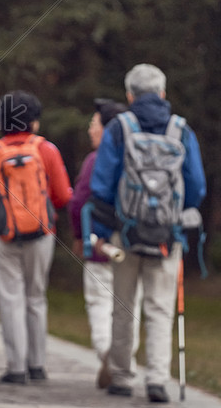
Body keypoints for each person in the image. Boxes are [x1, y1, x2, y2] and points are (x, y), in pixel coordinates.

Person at [90, 64, 206, 403]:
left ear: (129, 95)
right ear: (163, 93)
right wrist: (175, 221)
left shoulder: (118, 128)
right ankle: (157, 379)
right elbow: (196, 185)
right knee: (160, 308)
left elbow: (102, 185)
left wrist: (102, 230)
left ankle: (122, 377)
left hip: (124, 234)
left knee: (123, 307)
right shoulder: (181, 131)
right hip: (167, 237)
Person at [0, 90, 73, 385]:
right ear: (34, 122)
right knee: (35, 297)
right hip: (42, 233)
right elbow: (62, 195)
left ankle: (15, 367)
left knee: (10, 298)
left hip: (2, 235)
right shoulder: (47, 150)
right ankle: (38, 365)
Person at [68, 98, 141, 390]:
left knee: (100, 304)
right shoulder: (138, 157)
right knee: (130, 304)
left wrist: (78, 235)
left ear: (108, 128)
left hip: (99, 245)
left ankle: (109, 355)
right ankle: (122, 360)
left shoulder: (95, 160)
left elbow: (78, 201)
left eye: (94, 123)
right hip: (134, 243)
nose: (89, 128)